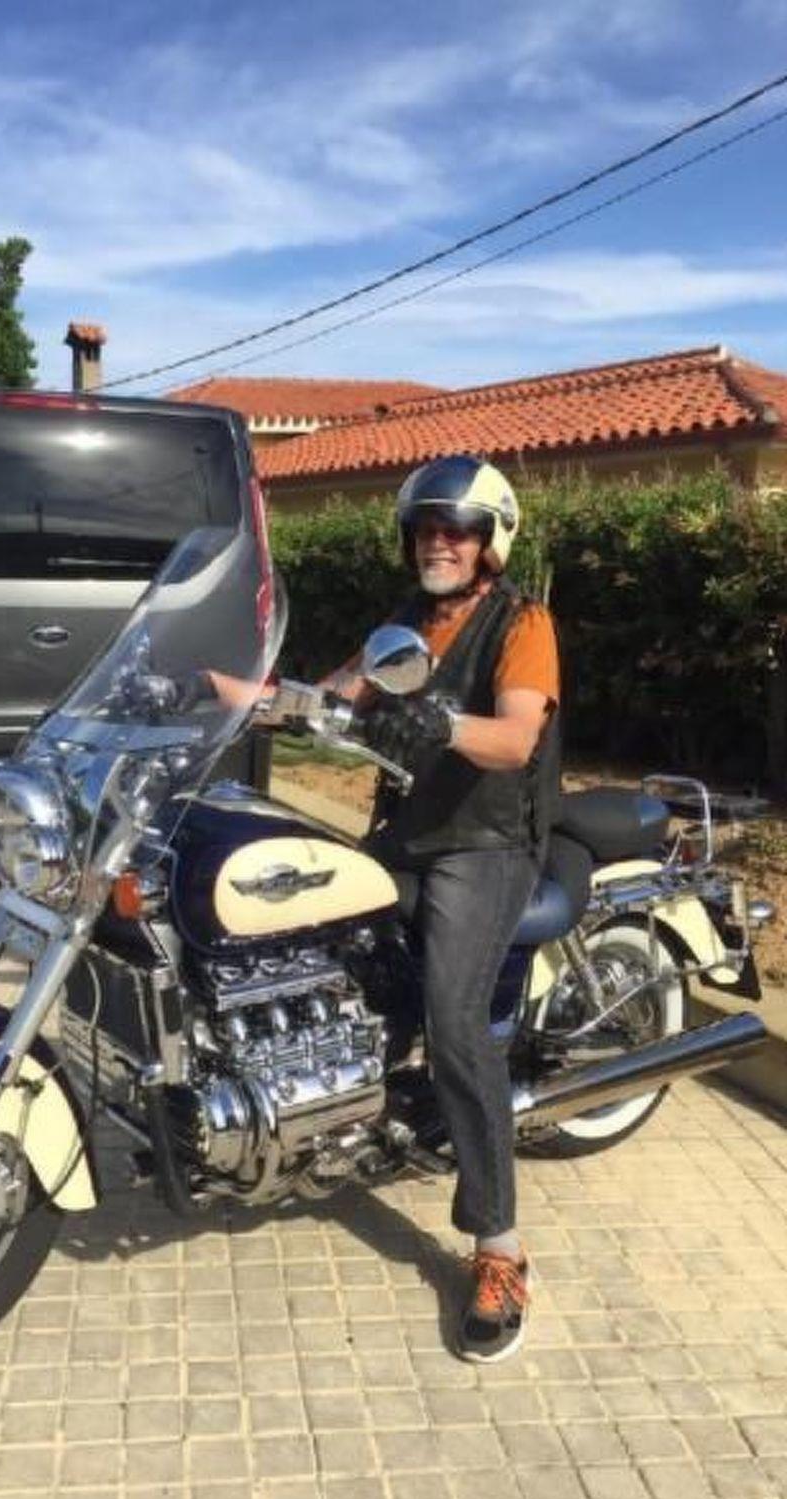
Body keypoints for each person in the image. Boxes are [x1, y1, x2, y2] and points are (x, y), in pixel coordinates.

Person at [327, 454, 561, 1363]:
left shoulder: (522, 621)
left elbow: (515, 737)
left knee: (456, 1022)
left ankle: (500, 1248)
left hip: (486, 843)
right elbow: (336, 692)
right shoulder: (405, 624)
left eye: (457, 529)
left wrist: (442, 723)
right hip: (412, 834)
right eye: (427, 527)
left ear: (489, 540)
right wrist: (217, 693)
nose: (439, 541)